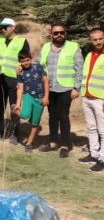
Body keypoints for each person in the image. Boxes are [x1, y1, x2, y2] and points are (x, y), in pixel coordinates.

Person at [38, 22, 83, 157]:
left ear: (65, 33)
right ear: (51, 34)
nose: (59, 35)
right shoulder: (46, 47)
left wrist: (76, 88)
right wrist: (23, 67)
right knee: (52, 117)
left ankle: (65, 145)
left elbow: (79, 69)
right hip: (49, 89)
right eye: (56, 33)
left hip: (66, 88)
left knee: (63, 117)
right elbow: (38, 65)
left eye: (61, 32)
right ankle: (53, 142)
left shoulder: (73, 47)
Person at [0, 18, 30, 145]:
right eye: (1, 27)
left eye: (5, 27)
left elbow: (26, 59)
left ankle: (14, 133)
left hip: (14, 79)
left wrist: (22, 67)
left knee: (15, 107)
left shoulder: (22, 41)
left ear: (13, 27)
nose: (3, 29)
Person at [79, 28, 104, 172]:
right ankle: (94, 154)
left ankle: (102, 158)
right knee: (92, 128)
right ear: (91, 40)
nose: (98, 42)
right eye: (95, 39)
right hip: (87, 96)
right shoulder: (89, 55)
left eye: (100, 38)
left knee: (103, 130)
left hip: (100, 99)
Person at [15, 51, 50, 153]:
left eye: (27, 60)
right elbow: (20, 88)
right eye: (23, 61)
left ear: (31, 59)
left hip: (40, 98)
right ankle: (14, 110)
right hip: (28, 95)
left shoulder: (38, 67)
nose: (25, 63)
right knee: (25, 114)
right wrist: (18, 104)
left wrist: (46, 97)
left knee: (35, 122)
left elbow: (46, 81)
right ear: (20, 62)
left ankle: (29, 143)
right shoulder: (20, 72)